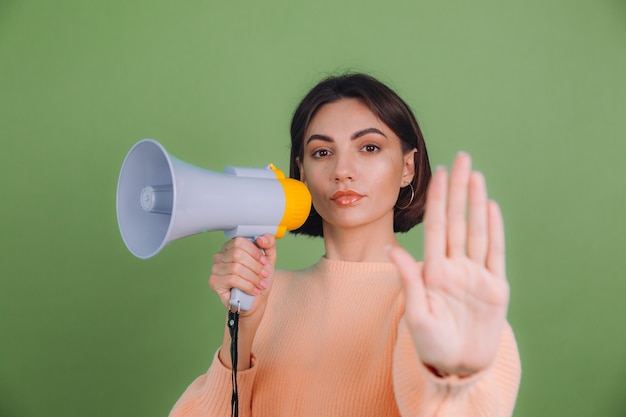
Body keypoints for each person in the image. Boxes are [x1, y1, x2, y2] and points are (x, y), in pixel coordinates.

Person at [169, 73, 521, 417]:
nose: (342, 170)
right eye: (322, 152)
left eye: (369, 147)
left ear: (408, 168)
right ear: (302, 173)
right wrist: (243, 329)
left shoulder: (445, 302)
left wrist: (453, 381)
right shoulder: (264, 295)